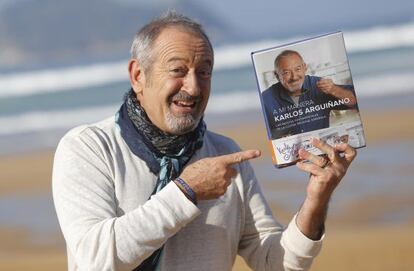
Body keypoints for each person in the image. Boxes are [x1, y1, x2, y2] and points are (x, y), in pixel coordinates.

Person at [52, 12, 357, 271]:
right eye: (178, 70)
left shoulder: (225, 154)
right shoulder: (88, 148)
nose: (194, 86)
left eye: (204, 72)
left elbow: (274, 262)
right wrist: (186, 191)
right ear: (137, 75)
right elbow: (93, 259)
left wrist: (317, 198)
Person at [261, 50, 357, 139]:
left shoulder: (318, 85)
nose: (294, 77)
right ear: (277, 75)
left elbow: (354, 101)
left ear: (305, 68)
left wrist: (334, 89)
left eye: (298, 69)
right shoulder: (265, 99)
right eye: (286, 73)